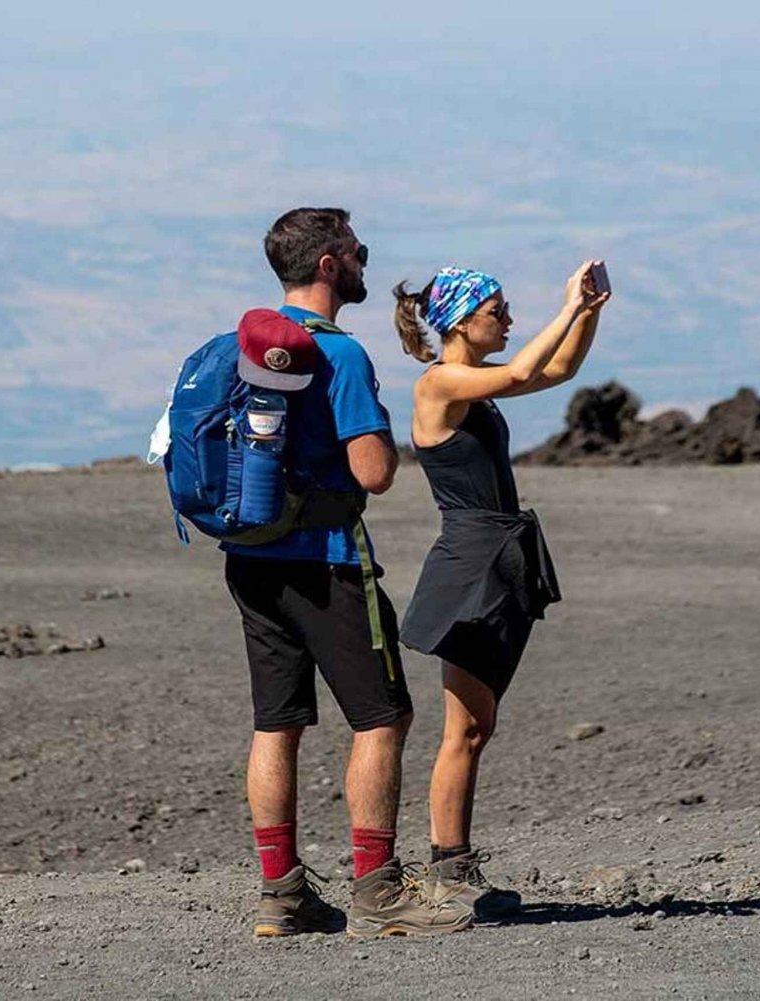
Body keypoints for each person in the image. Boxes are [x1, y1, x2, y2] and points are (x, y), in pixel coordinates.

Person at [227, 208, 473, 939]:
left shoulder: (243, 345)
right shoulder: (339, 354)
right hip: (328, 561)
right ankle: (376, 890)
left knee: (277, 724)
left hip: (249, 560)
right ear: (331, 263)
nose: (367, 261)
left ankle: (282, 894)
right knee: (381, 717)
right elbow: (375, 472)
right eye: (358, 251)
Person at [392, 261, 610, 917]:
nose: (509, 320)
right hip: (468, 568)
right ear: (461, 320)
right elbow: (522, 371)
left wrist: (590, 309)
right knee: (462, 730)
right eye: (498, 310)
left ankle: (454, 868)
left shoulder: (473, 388)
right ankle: (448, 872)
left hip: (498, 562)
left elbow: (557, 371)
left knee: (476, 726)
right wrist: (567, 306)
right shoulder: (439, 383)